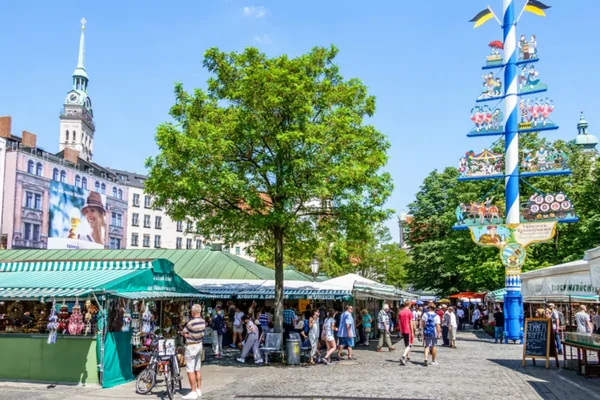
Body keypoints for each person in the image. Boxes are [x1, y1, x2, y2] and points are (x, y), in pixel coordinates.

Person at [182, 304, 206, 400]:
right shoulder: (203, 321)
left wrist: (186, 335)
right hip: (199, 345)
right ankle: (199, 389)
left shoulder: (191, 323)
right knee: (197, 368)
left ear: (193, 312)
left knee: (190, 369)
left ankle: (193, 391)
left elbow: (184, 331)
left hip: (191, 346)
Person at [398, 300, 415, 366]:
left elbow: (399, 322)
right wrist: (412, 332)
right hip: (408, 330)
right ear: (409, 304)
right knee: (409, 345)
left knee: (406, 344)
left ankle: (406, 357)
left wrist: (400, 330)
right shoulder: (409, 312)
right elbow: (411, 323)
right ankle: (403, 356)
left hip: (403, 330)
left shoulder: (400, 312)